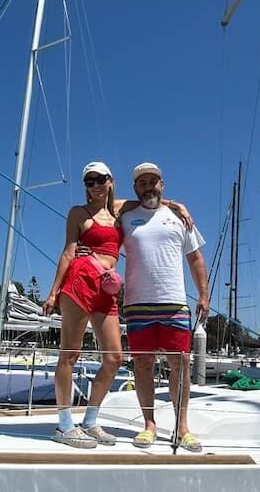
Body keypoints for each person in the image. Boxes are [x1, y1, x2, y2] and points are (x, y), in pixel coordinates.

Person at [41, 162, 193, 449]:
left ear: (111, 181)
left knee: (114, 358)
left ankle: (90, 421)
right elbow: (68, 251)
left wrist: (177, 205)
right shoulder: (78, 213)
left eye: (101, 179)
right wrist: (53, 293)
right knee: (69, 354)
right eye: (89, 181)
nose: (95, 185)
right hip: (80, 279)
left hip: (106, 288)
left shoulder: (120, 210)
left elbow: (152, 200)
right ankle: (63, 425)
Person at [121, 162, 210, 452]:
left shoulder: (179, 219)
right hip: (136, 303)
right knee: (142, 364)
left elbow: (195, 259)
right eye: (142, 182)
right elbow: (108, 201)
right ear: (135, 188)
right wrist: (175, 202)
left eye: (153, 181)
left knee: (180, 364)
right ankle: (149, 424)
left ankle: (182, 428)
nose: (148, 186)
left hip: (174, 303)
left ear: (162, 184)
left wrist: (203, 295)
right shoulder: (125, 216)